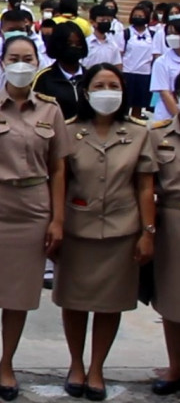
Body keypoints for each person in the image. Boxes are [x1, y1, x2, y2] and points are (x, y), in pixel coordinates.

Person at [0, 35, 69, 401]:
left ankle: (7, 363)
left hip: (33, 208)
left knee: (20, 293)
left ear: (37, 63)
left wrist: (57, 219)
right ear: (2, 63)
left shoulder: (50, 110)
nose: (21, 65)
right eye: (14, 58)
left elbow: (58, 168)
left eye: (28, 58)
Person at [54, 65, 157, 401]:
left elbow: (145, 185)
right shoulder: (69, 130)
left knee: (109, 304)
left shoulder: (139, 132)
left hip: (121, 230)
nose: (107, 92)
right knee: (74, 301)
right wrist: (56, 223)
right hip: (77, 228)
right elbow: (59, 180)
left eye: (114, 85)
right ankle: (76, 364)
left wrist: (148, 232)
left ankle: (97, 368)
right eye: (99, 85)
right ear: (86, 92)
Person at [149, 112, 180, 395]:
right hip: (173, 219)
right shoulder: (159, 134)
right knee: (172, 299)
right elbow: (146, 184)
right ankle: (175, 368)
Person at [34, 22, 89, 121]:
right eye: (69, 44)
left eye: (78, 44)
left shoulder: (90, 76)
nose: (73, 47)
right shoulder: (44, 79)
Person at [123, 7, 156, 119]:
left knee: (139, 102)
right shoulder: (126, 33)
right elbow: (120, 52)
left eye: (141, 16)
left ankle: (136, 120)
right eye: (135, 16)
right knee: (125, 101)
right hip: (127, 71)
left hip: (144, 73)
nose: (138, 18)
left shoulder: (152, 35)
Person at [152, 21, 180, 122]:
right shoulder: (161, 62)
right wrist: (178, 117)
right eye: (169, 33)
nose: (172, 37)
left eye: (176, 33)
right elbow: (164, 93)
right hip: (168, 116)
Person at [84, 5, 123, 70]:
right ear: (92, 22)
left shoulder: (112, 44)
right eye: (102, 20)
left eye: (108, 20)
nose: (106, 22)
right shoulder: (86, 43)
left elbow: (117, 64)